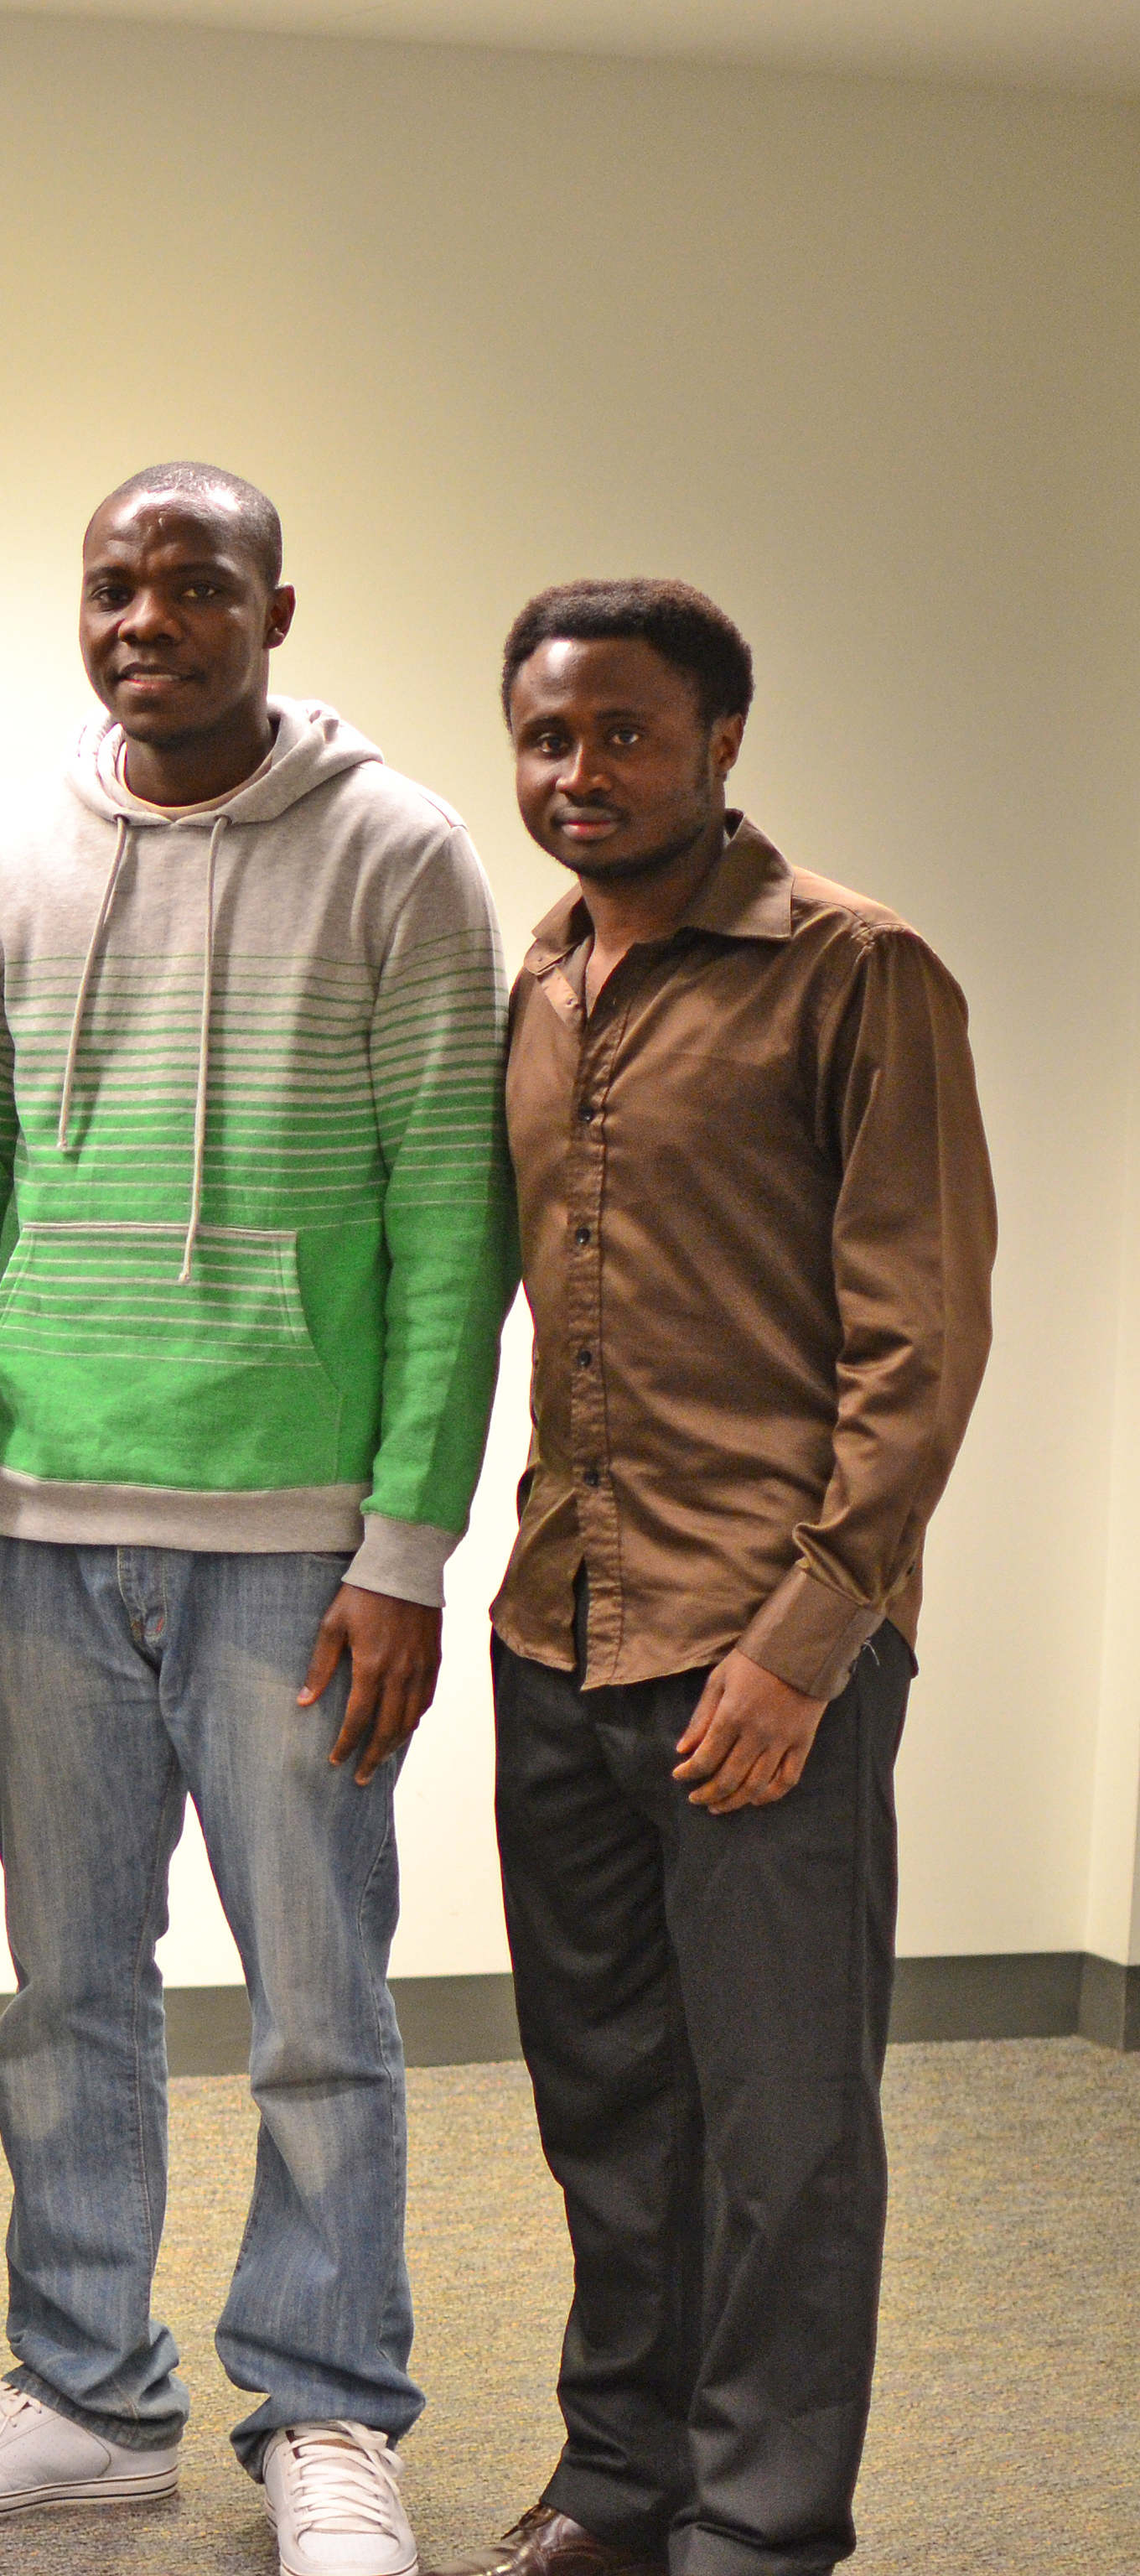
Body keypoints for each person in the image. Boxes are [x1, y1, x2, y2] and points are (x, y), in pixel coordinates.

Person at [0, 464, 513, 2576]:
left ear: (277, 609)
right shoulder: (2, 861)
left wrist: (409, 1551)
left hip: (294, 1555)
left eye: (196, 585)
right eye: (116, 585)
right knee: (71, 1997)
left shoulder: (401, 856)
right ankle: (88, 2395)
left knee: (320, 2004)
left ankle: (327, 2417)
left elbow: (450, 1223)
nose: (149, 618)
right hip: (41, 1529)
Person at [433, 584, 992, 2576]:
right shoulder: (542, 981)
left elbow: (917, 1346)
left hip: (763, 1662)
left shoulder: (858, 972)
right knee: (607, 2106)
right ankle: (621, 2474)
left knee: (784, 2132)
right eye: (548, 740)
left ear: (721, 742)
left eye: (624, 736)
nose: (579, 775)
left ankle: (762, 2523)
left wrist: (806, 1640)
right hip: (556, 1634)